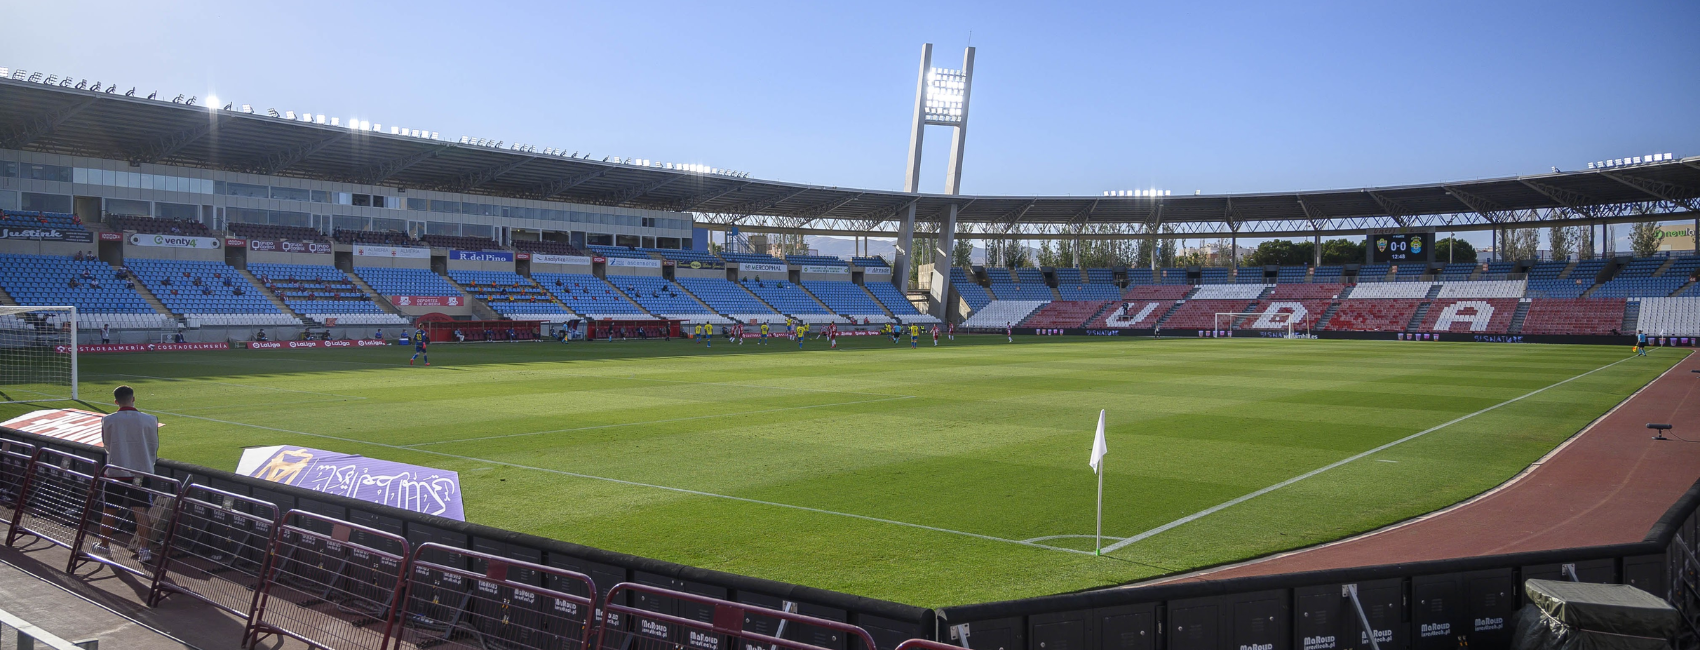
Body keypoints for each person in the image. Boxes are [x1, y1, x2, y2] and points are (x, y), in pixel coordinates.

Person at [95, 385, 160, 563]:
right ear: (133, 399)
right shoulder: (150, 419)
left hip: (116, 471)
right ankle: (144, 550)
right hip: (141, 471)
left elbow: (107, 444)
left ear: (116, 401)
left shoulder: (108, 420)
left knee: (110, 510)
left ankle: (104, 546)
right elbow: (154, 445)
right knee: (140, 511)